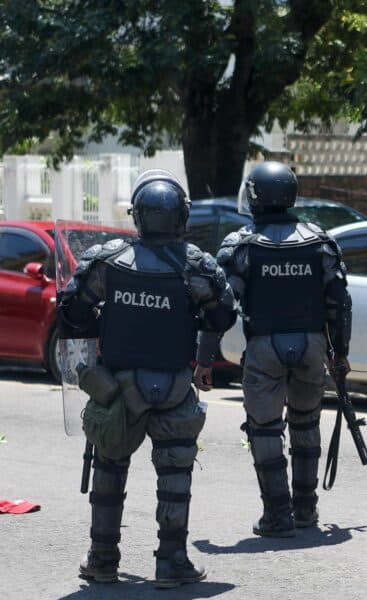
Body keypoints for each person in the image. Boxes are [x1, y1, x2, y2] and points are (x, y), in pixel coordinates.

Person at [60, 170, 236, 588]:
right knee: (175, 476)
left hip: (117, 390)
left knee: (109, 468)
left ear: (138, 215)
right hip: (175, 387)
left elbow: (72, 309)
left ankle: (102, 559)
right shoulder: (196, 265)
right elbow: (224, 313)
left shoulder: (107, 261)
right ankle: (171, 561)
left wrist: (105, 317)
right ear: (181, 216)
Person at [194, 161, 352, 536]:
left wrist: (204, 359)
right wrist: (339, 352)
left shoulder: (241, 244)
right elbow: (339, 303)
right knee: (306, 423)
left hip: (264, 347)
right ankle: (307, 510)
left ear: (255, 197)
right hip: (313, 346)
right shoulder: (320, 241)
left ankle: (278, 515)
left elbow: (221, 308)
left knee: (264, 430)